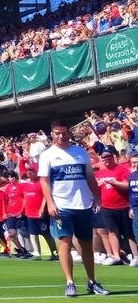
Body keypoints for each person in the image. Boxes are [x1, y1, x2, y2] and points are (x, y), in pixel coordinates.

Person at [38, 120, 110, 297]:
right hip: (62, 205)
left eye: (63, 132)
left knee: (86, 243)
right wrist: (51, 203)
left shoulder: (80, 152)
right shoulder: (47, 155)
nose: (61, 136)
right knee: (65, 242)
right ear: (52, 135)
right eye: (57, 133)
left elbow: (89, 177)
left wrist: (97, 196)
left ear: (69, 133)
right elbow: (44, 181)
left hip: (83, 204)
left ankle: (92, 281)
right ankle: (70, 282)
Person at [93, 147, 134, 266]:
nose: (106, 159)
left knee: (129, 232)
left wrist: (113, 182)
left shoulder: (122, 170)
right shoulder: (100, 173)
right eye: (103, 157)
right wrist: (98, 202)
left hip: (123, 205)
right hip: (107, 207)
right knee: (112, 231)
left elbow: (127, 186)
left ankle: (132, 254)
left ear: (113, 156)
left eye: (108, 156)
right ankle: (116, 256)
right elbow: (96, 190)